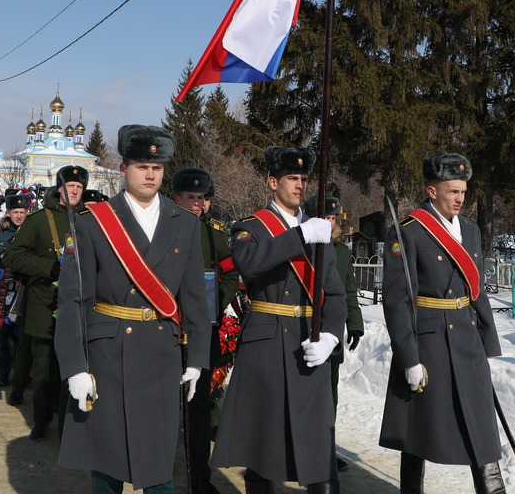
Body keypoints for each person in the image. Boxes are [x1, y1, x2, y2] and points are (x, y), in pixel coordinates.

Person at [57, 125, 211, 494]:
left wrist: (196, 360)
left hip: (161, 354)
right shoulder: (93, 222)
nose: (150, 174)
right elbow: (73, 300)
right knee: (106, 463)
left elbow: (194, 298)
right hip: (107, 355)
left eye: (157, 167)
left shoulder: (185, 223)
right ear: (124, 168)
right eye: (142, 165)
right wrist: (75, 367)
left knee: (158, 463)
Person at [211, 146, 346, 494]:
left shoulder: (315, 227)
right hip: (267, 344)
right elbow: (251, 264)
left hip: (309, 339)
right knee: (262, 445)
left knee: (318, 446)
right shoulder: (251, 227)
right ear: (273, 182)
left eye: (303, 178)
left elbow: (334, 292)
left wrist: (331, 334)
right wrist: (301, 237)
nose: (300, 185)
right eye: (291, 178)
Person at [379, 153, 505, 494]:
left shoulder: (471, 230)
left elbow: (475, 288)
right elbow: (397, 300)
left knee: (481, 427)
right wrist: (409, 359)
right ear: (431, 191)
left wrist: (488, 341)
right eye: (453, 191)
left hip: (466, 337)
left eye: (463, 191)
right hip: (429, 342)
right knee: (416, 432)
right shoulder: (407, 231)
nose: (460, 198)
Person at [2, 164, 89, 441]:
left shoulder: (91, 218)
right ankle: (42, 419)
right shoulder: (40, 219)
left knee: (75, 368)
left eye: (79, 187)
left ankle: (71, 423)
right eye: (69, 186)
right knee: (44, 368)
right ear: (59, 188)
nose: (74, 190)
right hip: (45, 305)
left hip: (81, 307)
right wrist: (50, 268)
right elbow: (13, 257)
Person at [171, 167, 241, 494]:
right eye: (191, 198)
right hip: (167, 329)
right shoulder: (162, 229)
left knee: (199, 407)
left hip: (204, 331)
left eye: (201, 199)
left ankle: (200, 478)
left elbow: (228, 274)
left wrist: (215, 304)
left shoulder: (213, 232)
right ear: (176, 198)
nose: (197, 204)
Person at [305, 194, 364, 474]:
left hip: (332, 333)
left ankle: (326, 450)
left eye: (332, 219)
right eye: (324, 218)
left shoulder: (340, 252)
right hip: (303, 331)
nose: (329, 223)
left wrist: (355, 323)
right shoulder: (302, 246)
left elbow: (348, 289)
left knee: (330, 394)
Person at [0, 193, 29, 389]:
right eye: (15, 212)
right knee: (2, 337)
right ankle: (3, 373)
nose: (19, 216)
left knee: (23, 337)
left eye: (23, 212)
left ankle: (22, 373)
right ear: (8, 213)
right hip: (0, 292)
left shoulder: (31, 234)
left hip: (24, 291)